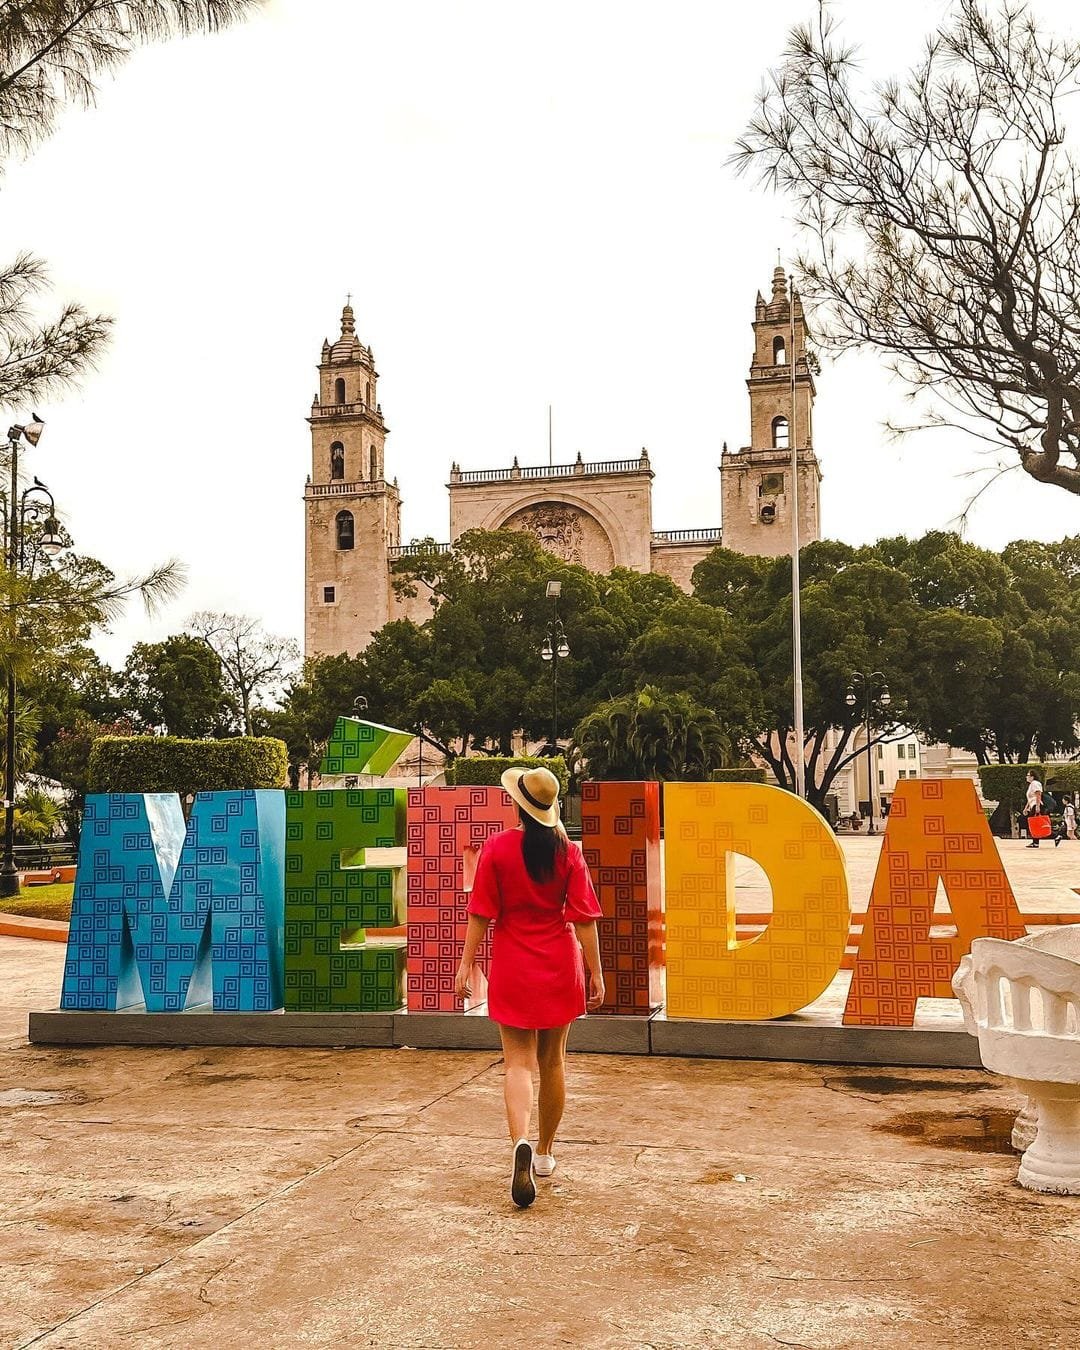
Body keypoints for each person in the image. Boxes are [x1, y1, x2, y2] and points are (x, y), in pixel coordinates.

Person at [455, 766, 604, 1209]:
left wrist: (466, 965)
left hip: (513, 964)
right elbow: (583, 919)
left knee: (517, 1064)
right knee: (553, 1062)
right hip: (559, 964)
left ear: (518, 805)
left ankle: (519, 1139)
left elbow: (480, 912)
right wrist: (597, 972)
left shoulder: (497, 849)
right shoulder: (568, 853)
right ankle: (543, 1154)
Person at [1024, 769, 1045, 849]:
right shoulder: (1031, 785)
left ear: (1032, 777)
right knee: (1034, 824)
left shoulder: (1035, 783)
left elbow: (1038, 794)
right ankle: (1035, 842)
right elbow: (1030, 798)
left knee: (1036, 824)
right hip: (1033, 805)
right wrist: (1026, 808)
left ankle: (1056, 835)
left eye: (1028, 775)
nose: (1027, 777)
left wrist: (1037, 806)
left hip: (1036, 805)